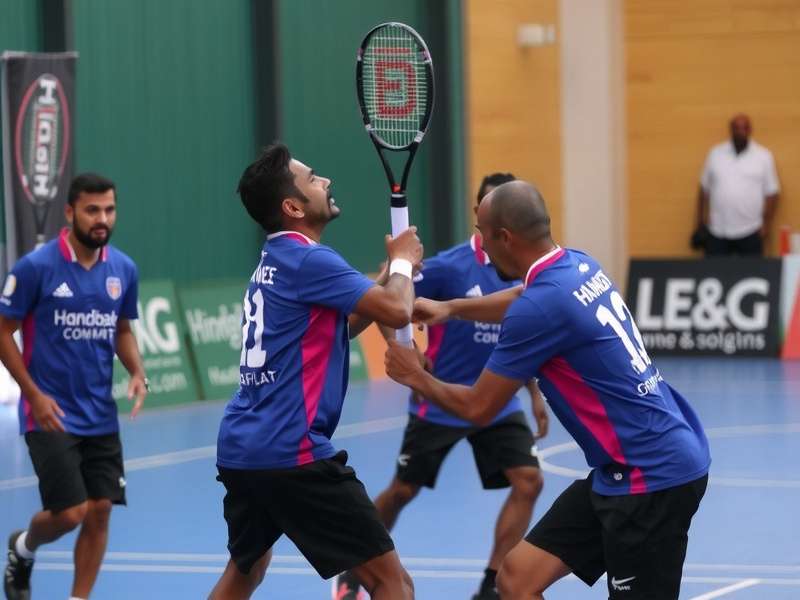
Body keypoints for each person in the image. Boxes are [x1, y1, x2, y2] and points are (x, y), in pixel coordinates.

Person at [386, 180, 711, 600]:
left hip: (651, 478)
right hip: (628, 467)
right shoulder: (578, 263)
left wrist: (416, 376)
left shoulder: (539, 309)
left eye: (483, 233)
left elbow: (479, 408)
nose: (480, 244)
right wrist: (452, 308)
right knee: (517, 579)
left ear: (505, 237)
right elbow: (526, 294)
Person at [210, 143, 423, 600]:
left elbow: (336, 329)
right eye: (312, 179)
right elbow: (397, 311)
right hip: (292, 451)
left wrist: (386, 276)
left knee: (244, 573)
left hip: (243, 449)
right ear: (292, 206)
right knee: (393, 582)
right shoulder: (309, 259)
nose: (324, 182)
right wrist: (404, 261)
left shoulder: (276, 259)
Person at [335, 173, 548, 600]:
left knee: (529, 481)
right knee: (402, 491)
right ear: (480, 215)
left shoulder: (522, 270)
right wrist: (407, 347)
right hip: (441, 400)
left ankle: (491, 586)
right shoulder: (450, 266)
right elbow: (387, 298)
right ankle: (354, 566)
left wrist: (534, 393)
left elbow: (519, 336)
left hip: (497, 401)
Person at [0, 173, 148, 600]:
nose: (102, 219)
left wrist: (136, 370)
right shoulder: (36, 268)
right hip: (49, 410)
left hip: (100, 412)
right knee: (71, 513)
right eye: (92, 210)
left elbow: (122, 329)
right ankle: (23, 547)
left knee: (100, 511)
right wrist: (32, 394)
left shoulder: (123, 269)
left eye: (109, 209)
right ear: (70, 212)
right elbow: (3, 330)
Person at [695, 113, 780, 255]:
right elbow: (704, 190)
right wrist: (700, 222)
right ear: (730, 130)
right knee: (713, 274)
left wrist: (766, 224)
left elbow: (772, 193)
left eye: (744, 128)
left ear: (750, 130)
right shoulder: (715, 154)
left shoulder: (763, 156)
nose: (741, 132)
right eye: (737, 128)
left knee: (752, 274)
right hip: (718, 230)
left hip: (750, 230)